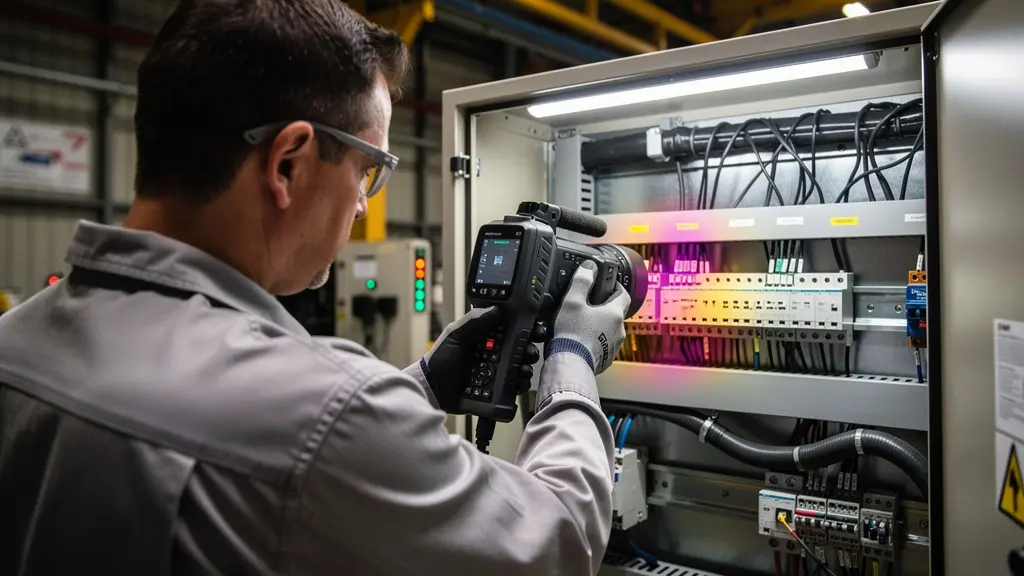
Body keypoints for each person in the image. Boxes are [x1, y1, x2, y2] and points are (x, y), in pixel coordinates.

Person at [0, 1, 631, 575]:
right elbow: (557, 540)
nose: (361, 206)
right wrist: (571, 370)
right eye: (367, 171)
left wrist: (418, 386)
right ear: (288, 164)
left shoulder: (16, 341)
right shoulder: (324, 414)